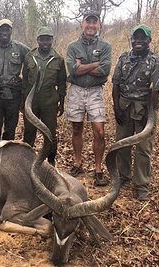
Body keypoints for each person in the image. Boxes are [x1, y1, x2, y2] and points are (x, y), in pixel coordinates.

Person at [112, 24, 159, 201]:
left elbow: (155, 91)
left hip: (145, 108)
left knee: (143, 149)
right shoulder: (123, 58)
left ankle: (141, 184)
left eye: (143, 38)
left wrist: (148, 113)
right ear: (131, 40)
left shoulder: (156, 61)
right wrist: (116, 108)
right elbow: (116, 84)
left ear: (149, 40)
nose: (138, 41)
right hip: (124, 106)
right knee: (122, 144)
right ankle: (122, 177)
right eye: (136, 37)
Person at [65, 10, 112, 186]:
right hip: (76, 90)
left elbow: (105, 71)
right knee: (76, 128)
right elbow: (73, 70)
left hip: (95, 91)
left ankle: (98, 169)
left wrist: (81, 66)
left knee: (99, 131)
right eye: (88, 22)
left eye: (94, 22)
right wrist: (95, 64)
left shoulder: (105, 46)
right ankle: (78, 163)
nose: (91, 25)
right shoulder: (72, 46)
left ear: (98, 25)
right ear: (82, 24)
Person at [0, 19, 30, 146]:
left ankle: (5, 161)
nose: (4, 32)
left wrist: (24, 81)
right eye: (2, 29)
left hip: (13, 95)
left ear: (11, 31)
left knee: (10, 131)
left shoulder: (20, 48)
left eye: (7, 29)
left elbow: (33, 60)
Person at [22, 26, 66, 166]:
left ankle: (51, 161)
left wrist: (61, 102)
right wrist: (23, 102)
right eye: (42, 39)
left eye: (48, 39)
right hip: (32, 100)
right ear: (38, 40)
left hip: (49, 101)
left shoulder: (58, 59)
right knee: (29, 131)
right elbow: (24, 80)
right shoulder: (30, 56)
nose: (45, 42)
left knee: (50, 133)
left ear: (51, 40)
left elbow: (62, 83)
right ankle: (26, 162)